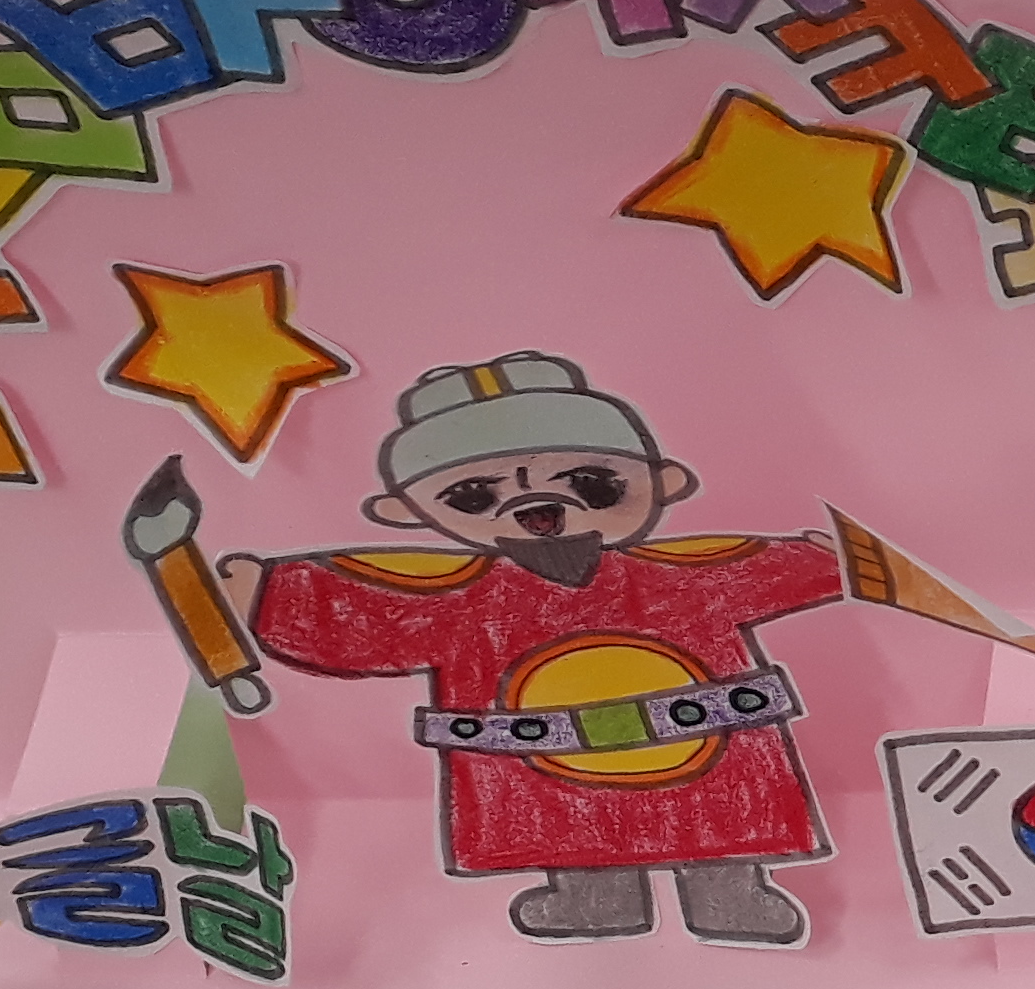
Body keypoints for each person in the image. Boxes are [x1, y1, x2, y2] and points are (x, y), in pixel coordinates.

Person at [216, 353, 843, 944]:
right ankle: (594, 899)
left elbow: (792, 567)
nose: (539, 509)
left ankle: (732, 894)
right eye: (473, 496)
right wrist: (263, 594)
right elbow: (363, 615)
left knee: (721, 816)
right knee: (569, 827)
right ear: (402, 511)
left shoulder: (688, 575)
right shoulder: (455, 597)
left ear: (665, 482)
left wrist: (837, 557)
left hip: (710, 754)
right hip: (543, 769)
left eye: (594, 484)